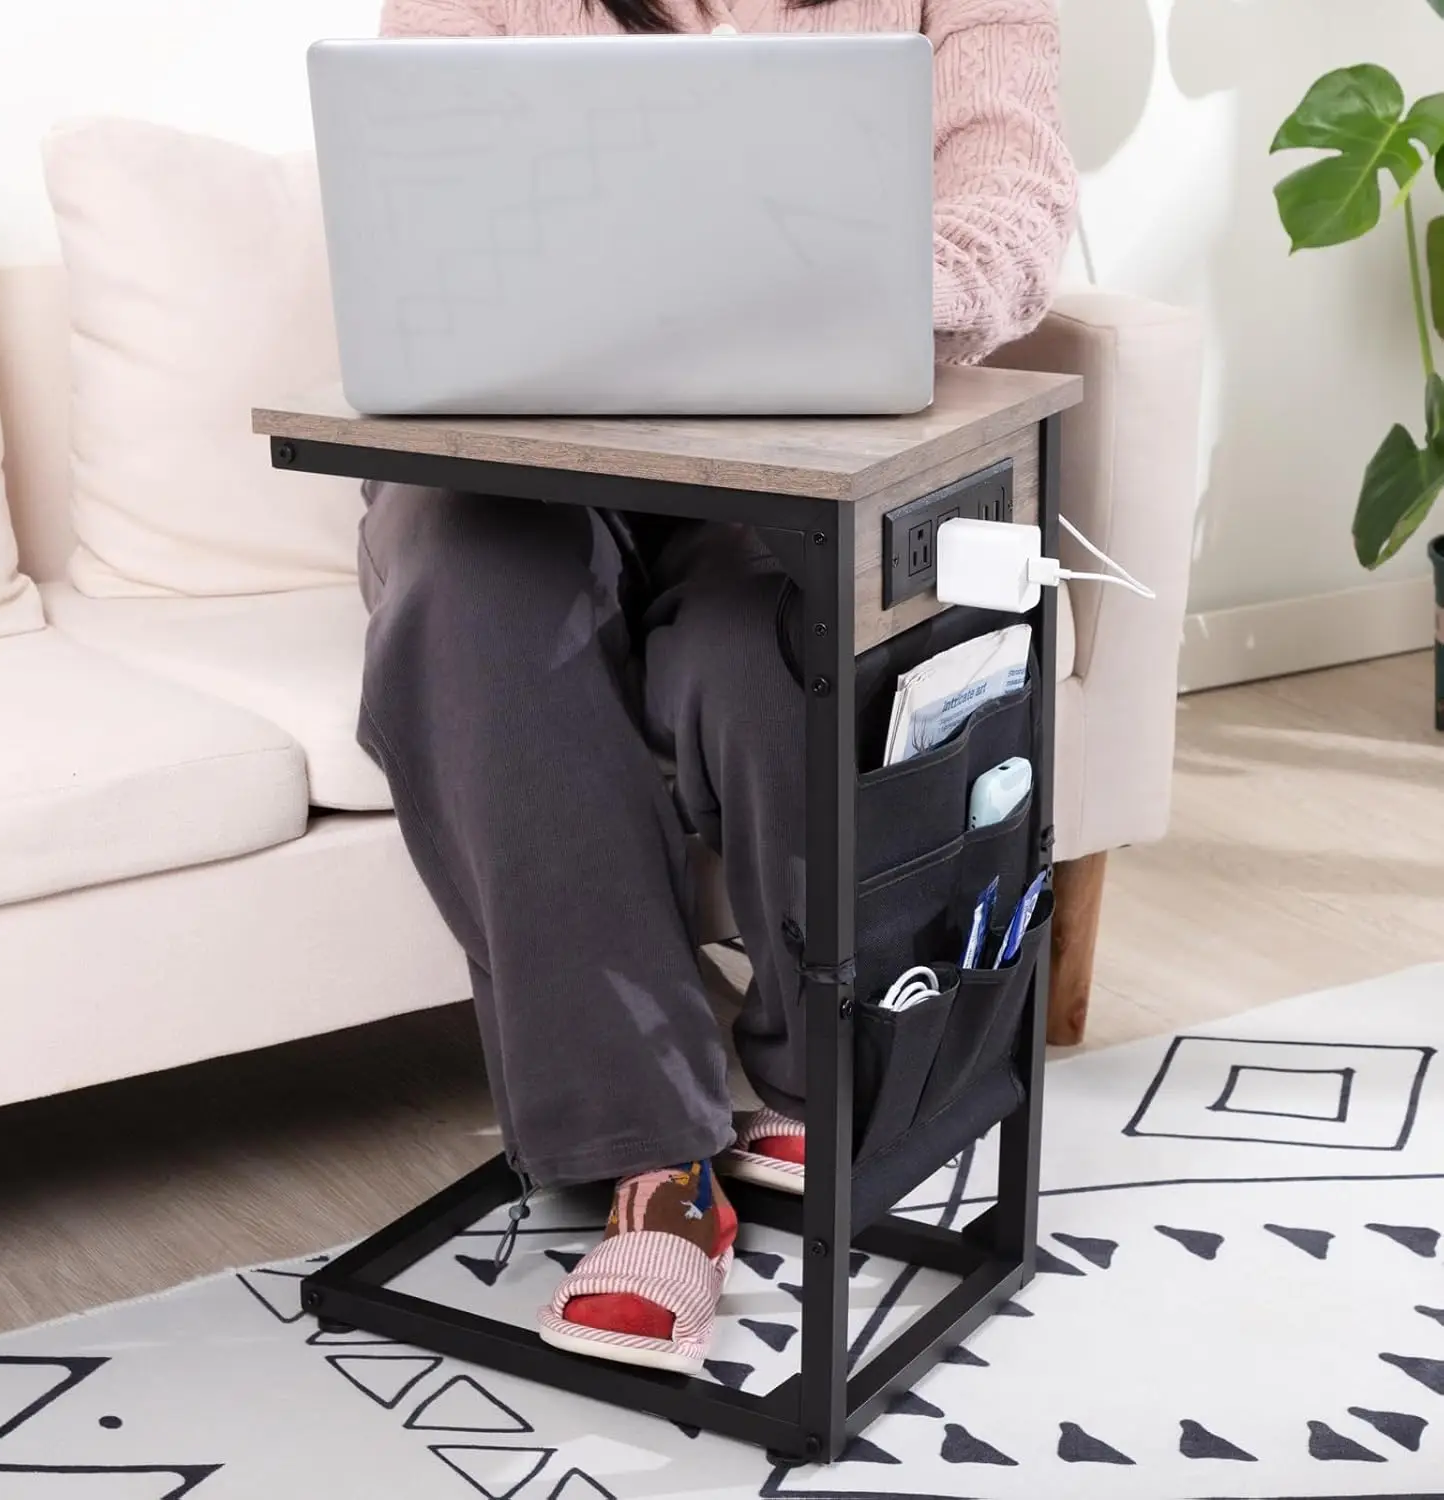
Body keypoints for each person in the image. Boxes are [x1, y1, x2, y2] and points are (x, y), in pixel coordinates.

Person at [358, 0, 1076, 1375]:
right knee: (467, 595)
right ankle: (659, 1160)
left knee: (764, 642)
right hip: (520, 439)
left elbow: (1014, 190)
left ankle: (825, 1080)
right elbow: (424, 214)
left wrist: (851, 295)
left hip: (784, 437)